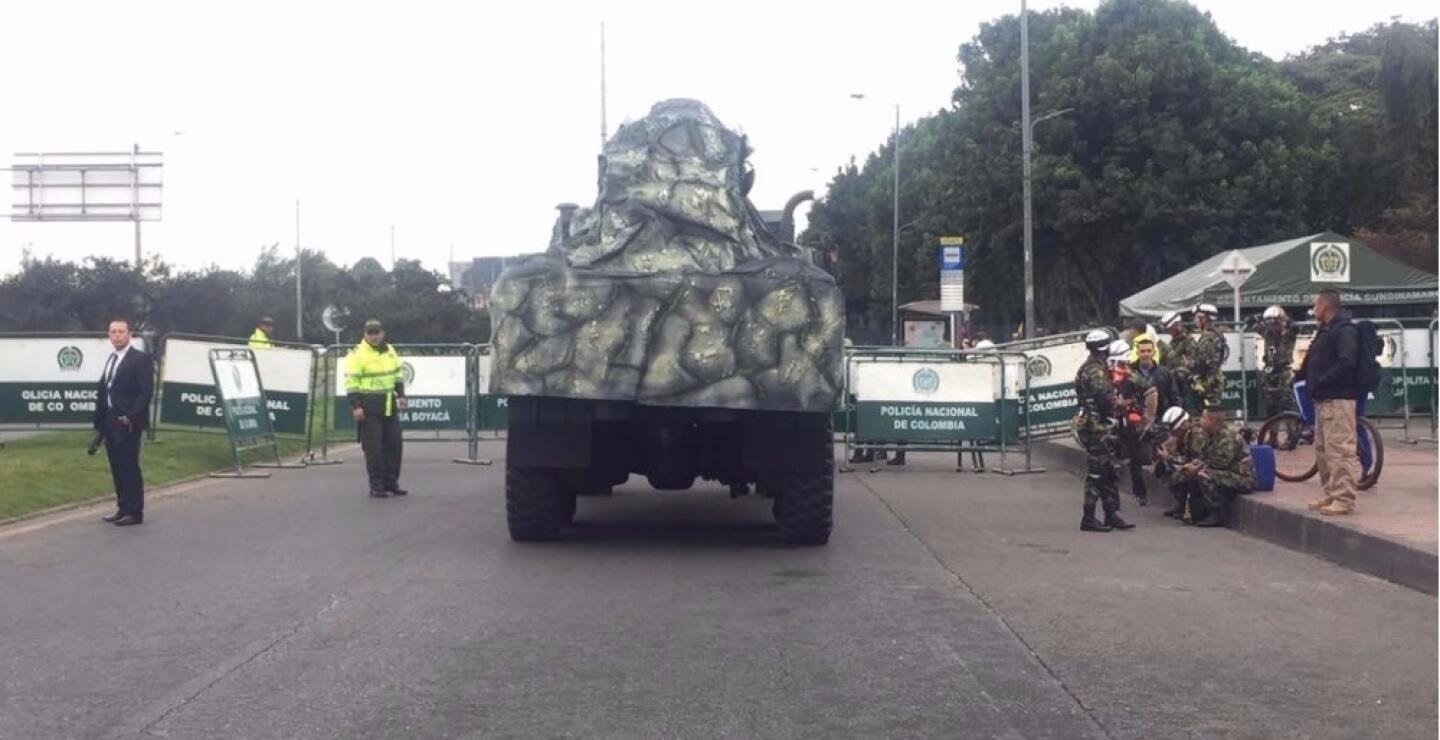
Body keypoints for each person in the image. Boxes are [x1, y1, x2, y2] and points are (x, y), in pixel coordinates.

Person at [1301, 289, 1360, 515]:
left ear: (1325, 306)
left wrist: (1322, 381)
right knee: (1323, 451)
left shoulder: (1344, 330)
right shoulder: (1326, 330)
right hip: (1324, 399)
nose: (1313, 308)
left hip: (1339, 399)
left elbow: (1347, 362)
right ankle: (1330, 493)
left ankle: (1344, 499)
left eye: (1315, 304)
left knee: (1340, 450)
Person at [94, 318, 155, 526]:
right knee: (116, 466)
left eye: (121, 331)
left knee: (129, 466)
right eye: (113, 332)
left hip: (128, 421)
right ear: (108, 335)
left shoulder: (140, 359)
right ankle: (122, 507)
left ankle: (134, 511)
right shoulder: (112, 358)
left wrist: (131, 416)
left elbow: (145, 392)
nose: (117, 335)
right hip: (110, 419)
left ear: (129, 335)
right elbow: (106, 389)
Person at [1073, 329, 1133, 532]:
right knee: (1097, 472)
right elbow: (1105, 399)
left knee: (1108, 470)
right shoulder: (1095, 371)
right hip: (1096, 427)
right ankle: (1088, 517)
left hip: (1098, 426)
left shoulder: (1092, 368)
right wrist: (1117, 405)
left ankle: (1110, 514)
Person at [1162, 406, 1256, 527]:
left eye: (1203, 417)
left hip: (1242, 478)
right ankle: (1187, 507)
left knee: (1204, 474)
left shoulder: (1227, 437)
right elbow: (1204, 457)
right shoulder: (1212, 435)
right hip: (1225, 473)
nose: (1200, 421)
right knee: (1183, 472)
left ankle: (1216, 514)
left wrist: (1196, 467)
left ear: (1213, 421)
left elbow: (1219, 464)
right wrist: (1191, 465)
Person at [346, 319, 409, 498]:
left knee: (394, 445)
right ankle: (377, 485)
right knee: (373, 447)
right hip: (368, 403)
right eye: (370, 333)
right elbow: (351, 382)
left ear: (383, 333)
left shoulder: (390, 350)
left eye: (376, 333)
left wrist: (402, 395)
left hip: (389, 402)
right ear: (364, 334)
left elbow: (397, 375)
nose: (374, 336)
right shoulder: (357, 354)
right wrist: (356, 405)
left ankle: (392, 482)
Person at [1109, 339, 1156, 506]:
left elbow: (1151, 392)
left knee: (1134, 461)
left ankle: (1140, 493)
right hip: (1111, 423)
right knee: (1111, 460)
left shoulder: (1132, 377)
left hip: (1130, 423)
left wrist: (1148, 418)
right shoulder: (1106, 375)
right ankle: (1112, 499)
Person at [1154, 407, 1205, 521]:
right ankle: (1179, 502)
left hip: (1200, 467)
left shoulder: (1197, 435)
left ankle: (1186, 505)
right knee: (1162, 467)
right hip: (1189, 465)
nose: (1174, 434)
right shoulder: (1182, 436)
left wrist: (1169, 457)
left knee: (1178, 474)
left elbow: (1196, 460)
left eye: (1175, 431)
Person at [1258, 306, 1298, 416]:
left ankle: (1291, 432)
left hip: (1284, 369)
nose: (1272, 325)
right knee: (1271, 405)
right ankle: (1273, 432)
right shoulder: (1268, 333)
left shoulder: (1289, 332)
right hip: (1270, 369)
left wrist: (1283, 320)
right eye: (1270, 322)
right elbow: (1256, 326)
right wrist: (1256, 318)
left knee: (1286, 403)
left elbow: (1294, 328)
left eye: (1274, 321)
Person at [1161, 310, 1200, 413]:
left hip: (1183, 382)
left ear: (1177, 325)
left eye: (1170, 328)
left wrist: (1171, 354)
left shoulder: (1188, 340)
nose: (1169, 331)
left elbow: (1192, 363)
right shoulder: (1174, 341)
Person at [1191, 304, 1227, 412]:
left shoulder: (1208, 338)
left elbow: (1203, 363)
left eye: (1197, 317)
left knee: (1209, 412)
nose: (1195, 320)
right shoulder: (1214, 334)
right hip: (1211, 380)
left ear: (1205, 319)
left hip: (1208, 382)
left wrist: (1189, 363)